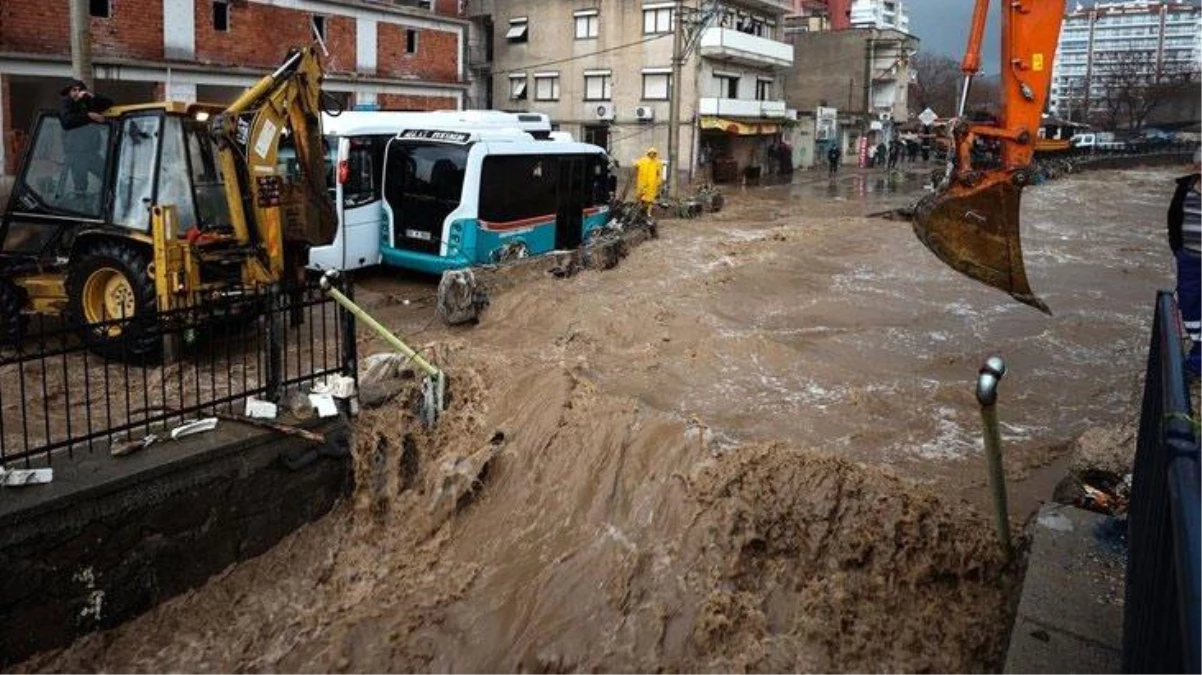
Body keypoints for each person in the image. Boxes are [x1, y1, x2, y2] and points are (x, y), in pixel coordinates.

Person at [1168, 147, 1202, 375]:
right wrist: (1178, 249)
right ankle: (1198, 348)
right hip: (1189, 259)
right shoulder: (1184, 189)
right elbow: (1173, 219)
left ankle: (1198, 361)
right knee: (1190, 307)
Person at [58, 79, 113, 193]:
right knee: (81, 186)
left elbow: (108, 103)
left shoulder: (87, 103)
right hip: (76, 154)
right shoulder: (66, 104)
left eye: (80, 90)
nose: (77, 92)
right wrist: (89, 116)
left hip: (92, 152)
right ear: (69, 92)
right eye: (74, 90)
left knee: (110, 177)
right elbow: (67, 122)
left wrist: (91, 96)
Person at [633, 147, 663, 215]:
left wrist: (659, 181)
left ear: (655, 154)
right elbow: (636, 165)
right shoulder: (643, 160)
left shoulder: (657, 162)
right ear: (648, 153)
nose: (652, 155)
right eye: (651, 153)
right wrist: (635, 164)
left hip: (652, 183)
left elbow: (659, 173)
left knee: (650, 199)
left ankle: (648, 212)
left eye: (653, 153)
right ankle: (639, 210)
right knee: (640, 197)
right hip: (642, 182)